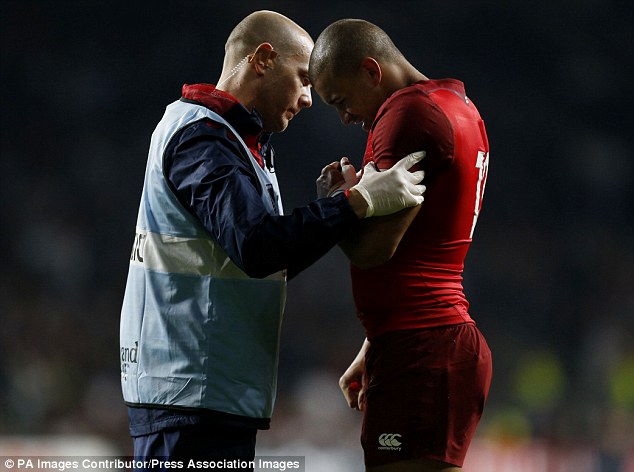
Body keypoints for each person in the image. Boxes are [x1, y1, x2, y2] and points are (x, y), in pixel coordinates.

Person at [119, 10, 426, 471]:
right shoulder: (200, 137)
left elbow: (268, 260)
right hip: (187, 395)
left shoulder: (237, 144)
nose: (307, 98)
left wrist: (341, 211)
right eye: (303, 78)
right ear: (263, 59)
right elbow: (258, 247)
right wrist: (358, 202)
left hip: (208, 392)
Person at [310, 19, 493, 472]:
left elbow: (373, 249)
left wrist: (338, 203)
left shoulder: (408, 115)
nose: (346, 117)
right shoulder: (458, 106)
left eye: (342, 100)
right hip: (424, 341)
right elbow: (423, 250)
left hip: (422, 351)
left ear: (372, 71)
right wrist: (374, 342)